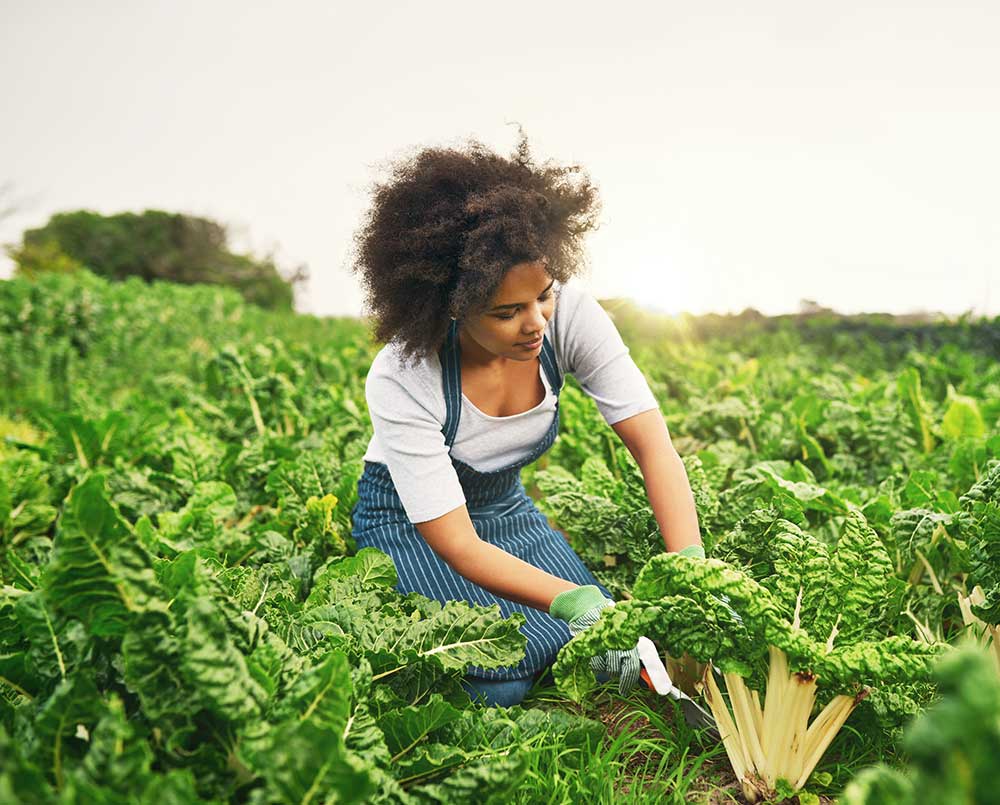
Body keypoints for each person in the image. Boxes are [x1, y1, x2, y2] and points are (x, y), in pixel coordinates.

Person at [349, 129, 705, 708]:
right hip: (418, 527)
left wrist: (694, 570)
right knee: (502, 676)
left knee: (611, 651)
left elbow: (653, 446)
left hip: (506, 510)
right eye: (506, 312)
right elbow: (460, 544)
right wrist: (570, 600)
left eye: (542, 295)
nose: (536, 322)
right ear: (451, 308)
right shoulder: (404, 375)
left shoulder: (571, 319)